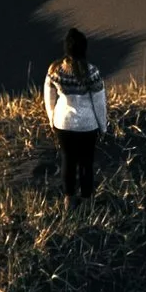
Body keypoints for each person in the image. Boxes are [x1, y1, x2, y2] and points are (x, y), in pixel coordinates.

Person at [42, 29, 108, 199]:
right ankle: (87, 202)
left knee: (67, 161)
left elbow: (48, 95)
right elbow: (99, 102)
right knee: (86, 164)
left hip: (63, 123)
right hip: (87, 126)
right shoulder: (91, 72)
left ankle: (68, 201)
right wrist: (103, 127)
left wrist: (51, 119)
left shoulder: (55, 70)